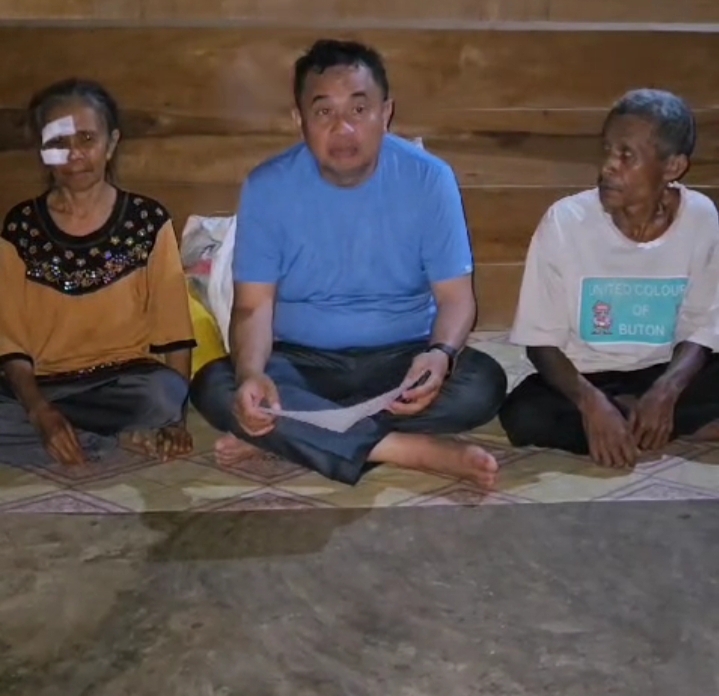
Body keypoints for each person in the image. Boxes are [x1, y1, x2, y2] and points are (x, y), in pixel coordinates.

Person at [191, 39, 507, 488]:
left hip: (402, 359)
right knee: (215, 384)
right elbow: (252, 306)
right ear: (299, 120)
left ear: (386, 113)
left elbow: (456, 298)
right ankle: (402, 449)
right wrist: (252, 374)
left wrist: (439, 354)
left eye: (359, 109)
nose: (343, 128)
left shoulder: (429, 178)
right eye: (324, 112)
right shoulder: (267, 187)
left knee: (482, 384)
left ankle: (292, 434)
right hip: (301, 362)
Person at [499, 88, 719, 467]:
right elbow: (540, 343)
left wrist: (666, 391)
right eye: (606, 151)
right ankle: (650, 422)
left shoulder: (700, 217)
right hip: (589, 375)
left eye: (626, 155)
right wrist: (592, 404)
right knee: (524, 414)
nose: (607, 167)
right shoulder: (565, 222)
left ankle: (640, 420)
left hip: (667, 370)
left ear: (672, 167)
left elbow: (704, 326)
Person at [0, 78, 196, 466]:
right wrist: (39, 411)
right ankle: (100, 439)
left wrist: (176, 420)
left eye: (87, 139)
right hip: (42, 385)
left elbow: (174, 332)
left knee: (165, 393)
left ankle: (71, 437)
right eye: (58, 142)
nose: (74, 154)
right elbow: (11, 344)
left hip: (124, 382)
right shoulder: (21, 227)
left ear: (111, 143)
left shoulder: (147, 220)